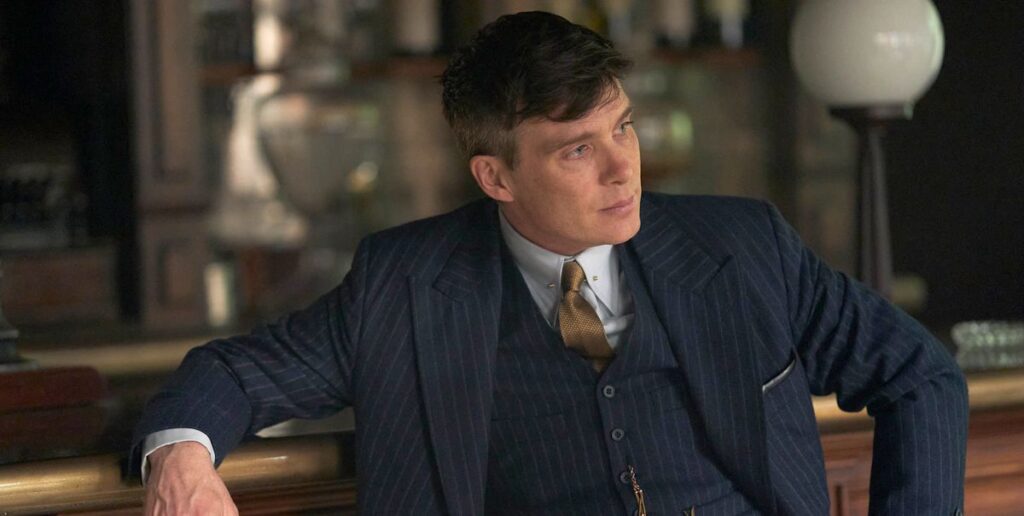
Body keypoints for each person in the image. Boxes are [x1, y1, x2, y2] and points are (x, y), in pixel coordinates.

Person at [134, 11, 967, 516]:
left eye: (623, 128)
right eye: (577, 150)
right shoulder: (405, 285)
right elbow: (229, 375)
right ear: (496, 177)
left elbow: (920, 375)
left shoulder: (743, 246)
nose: (623, 168)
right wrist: (180, 457)